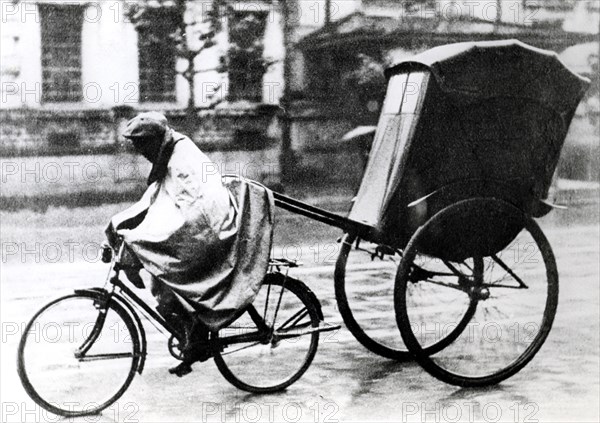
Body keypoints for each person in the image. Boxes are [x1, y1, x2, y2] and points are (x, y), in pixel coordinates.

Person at [105, 112, 273, 377]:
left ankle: (196, 337)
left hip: (212, 231)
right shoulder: (169, 152)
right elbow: (154, 200)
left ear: (154, 141)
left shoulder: (181, 161)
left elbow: (196, 213)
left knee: (167, 265)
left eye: (142, 146)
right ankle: (193, 335)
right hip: (201, 225)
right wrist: (119, 225)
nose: (141, 153)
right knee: (161, 280)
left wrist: (141, 240)